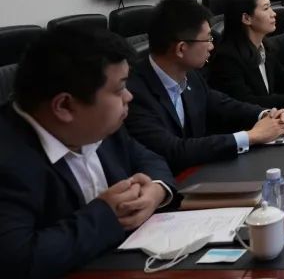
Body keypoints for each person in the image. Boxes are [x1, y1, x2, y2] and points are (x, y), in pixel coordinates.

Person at [0, 27, 179, 278]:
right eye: (118, 90)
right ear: (64, 106)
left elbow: (148, 158)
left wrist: (156, 191)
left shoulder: (96, 125)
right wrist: (107, 214)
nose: (129, 96)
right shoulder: (9, 161)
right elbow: (18, 261)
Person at [125, 0, 284, 173]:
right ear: (181, 48)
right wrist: (251, 136)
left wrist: (265, 115)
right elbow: (174, 150)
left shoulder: (189, 74)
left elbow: (221, 104)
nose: (212, 47)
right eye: (208, 39)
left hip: (201, 174)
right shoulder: (133, 92)